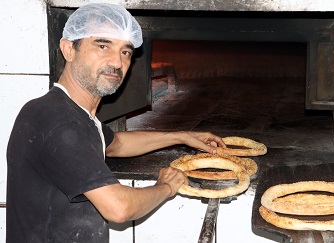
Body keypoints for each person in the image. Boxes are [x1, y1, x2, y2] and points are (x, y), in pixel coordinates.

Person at [6, 3, 226, 243]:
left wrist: (182, 136)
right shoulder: (58, 121)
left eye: (126, 52)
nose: (117, 62)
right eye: (103, 46)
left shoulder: (68, 111)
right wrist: (166, 187)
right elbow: (119, 208)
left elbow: (117, 143)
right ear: (69, 49)